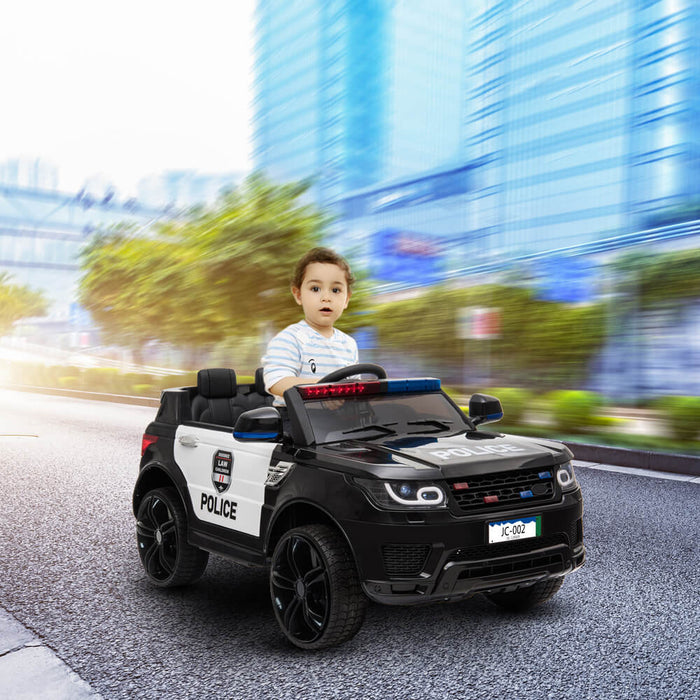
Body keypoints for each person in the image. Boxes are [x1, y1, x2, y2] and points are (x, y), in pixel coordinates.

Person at [262, 247, 358, 405]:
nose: (326, 298)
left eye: (336, 290)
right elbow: (277, 382)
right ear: (298, 295)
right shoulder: (289, 339)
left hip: (339, 422)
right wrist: (325, 389)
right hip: (295, 422)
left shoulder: (349, 344)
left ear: (347, 299)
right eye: (315, 289)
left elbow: (355, 389)